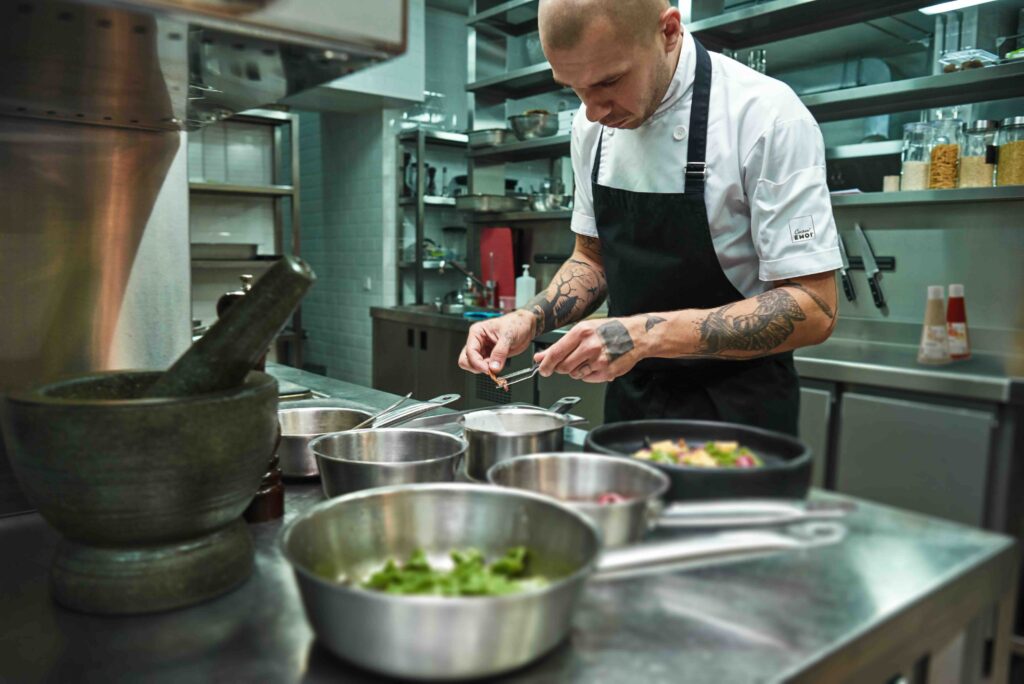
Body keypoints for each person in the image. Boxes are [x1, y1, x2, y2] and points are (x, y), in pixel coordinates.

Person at [458, 0, 841, 435]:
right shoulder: (592, 128)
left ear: (669, 32)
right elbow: (591, 258)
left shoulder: (766, 115)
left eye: (610, 81)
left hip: (739, 412)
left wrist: (645, 335)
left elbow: (815, 305)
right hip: (633, 404)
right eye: (573, 88)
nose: (593, 111)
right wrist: (527, 319)